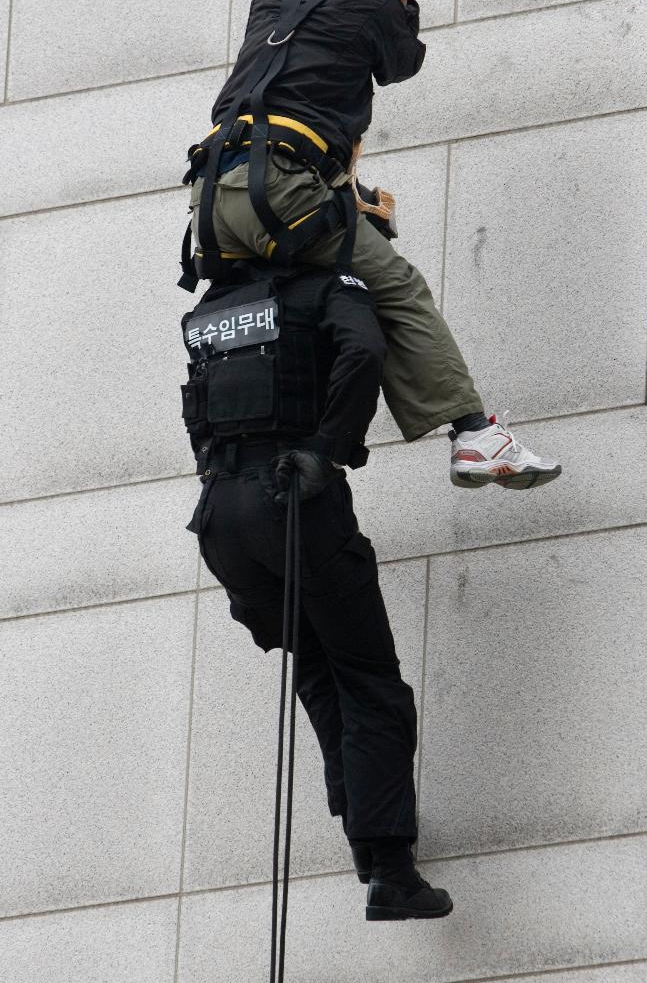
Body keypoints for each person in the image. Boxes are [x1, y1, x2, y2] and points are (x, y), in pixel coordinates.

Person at [182, 0, 560, 490]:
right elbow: (401, 60)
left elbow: (308, 56)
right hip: (280, 190)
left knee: (322, 284)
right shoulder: (378, 8)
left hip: (211, 200)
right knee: (397, 285)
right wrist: (394, 2)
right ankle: (473, 435)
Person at [181, 256, 453, 920]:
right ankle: (388, 865)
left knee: (321, 668)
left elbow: (196, 404)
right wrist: (328, 448)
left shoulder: (210, 308)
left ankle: (365, 839)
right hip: (292, 496)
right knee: (369, 682)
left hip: (221, 515)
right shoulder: (330, 288)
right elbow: (363, 350)